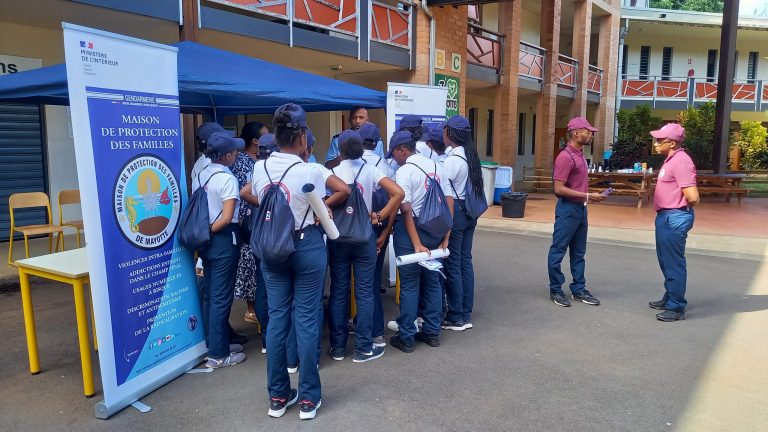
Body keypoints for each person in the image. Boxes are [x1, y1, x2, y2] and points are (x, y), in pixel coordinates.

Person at [250, 103, 349, 420]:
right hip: (306, 245)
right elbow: (330, 198)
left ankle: (277, 396)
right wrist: (322, 209)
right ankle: (308, 399)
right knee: (306, 319)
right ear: (303, 137)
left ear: (276, 135)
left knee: (277, 319)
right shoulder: (310, 171)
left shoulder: (260, 168)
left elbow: (252, 195)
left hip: (271, 248)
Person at [327, 130, 404, 363]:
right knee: (365, 290)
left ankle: (337, 347)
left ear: (340, 150)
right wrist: (379, 216)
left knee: (339, 290)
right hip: (364, 236)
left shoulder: (332, 172)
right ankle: (363, 348)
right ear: (362, 149)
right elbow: (398, 193)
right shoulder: (371, 170)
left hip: (338, 237)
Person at [388, 131, 454, 353]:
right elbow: (449, 200)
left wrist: (416, 243)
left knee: (409, 283)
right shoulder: (436, 166)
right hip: (436, 229)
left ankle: (406, 337)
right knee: (433, 281)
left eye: (394, 153)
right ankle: (432, 333)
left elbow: (405, 209)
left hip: (411, 231)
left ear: (402, 150)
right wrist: (446, 235)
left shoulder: (404, 171)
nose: (394, 158)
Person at [191, 131, 246, 368]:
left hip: (204, 239)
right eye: (234, 152)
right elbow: (227, 216)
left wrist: (205, 233)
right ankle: (219, 355)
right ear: (227, 156)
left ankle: (214, 343)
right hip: (222, 238)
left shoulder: (201, 173)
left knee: (210, 295)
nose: (236, 155)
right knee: (221, 298)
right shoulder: (227, 179)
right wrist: (212, 231)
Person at [548, 117, 605, 308]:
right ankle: (556, 289)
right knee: (558, 250)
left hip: (580, 209)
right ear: (576, 133)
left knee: (579, 253)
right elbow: (558, 189)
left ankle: (578, 289)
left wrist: (588, 196)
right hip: (568, 210)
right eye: (588, 131)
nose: (591, 134)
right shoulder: (565, 157)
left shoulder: (579, 155)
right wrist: (587, 195)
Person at [649, 123, 699, 322]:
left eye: (660, 140)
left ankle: (676, 307)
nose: (655, 143)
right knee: (665, 261)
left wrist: (677, 207)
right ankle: (671, 296)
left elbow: (693, 196)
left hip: (674, 217)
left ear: (672, 143)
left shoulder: (681, 161)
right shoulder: (672, 160)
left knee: (673, 263)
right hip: (667, 216)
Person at [441, 116, 483, 331]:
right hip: (469, 212)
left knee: (453, 263)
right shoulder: (470, 156)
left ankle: (456, 315)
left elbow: (443, 190)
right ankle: (466, 312)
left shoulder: (452, 160)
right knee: (465, 261)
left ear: (450, 133)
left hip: (456, 211)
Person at [232, 123, 269, 353]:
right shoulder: (243, 163)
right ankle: (253, 310)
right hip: (250, 223)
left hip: (259, 223)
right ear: (255, 140)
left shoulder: (259, 161)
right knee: (257, 275)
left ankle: (261, 321)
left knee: (261, 278)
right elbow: (242, 193)